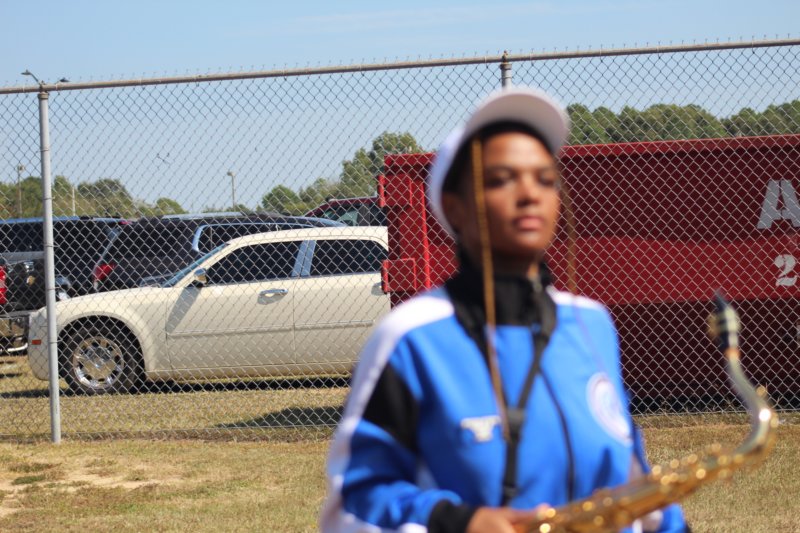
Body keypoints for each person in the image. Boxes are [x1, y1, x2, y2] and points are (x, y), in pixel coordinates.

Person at [320, 87, 689, 533]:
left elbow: (631, 476)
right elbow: (354, 501)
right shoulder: (413, 338)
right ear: (455, 208)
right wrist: (460, 522)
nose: (530, 193)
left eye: (545, 179)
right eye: (500, 179)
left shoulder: (591, 322)